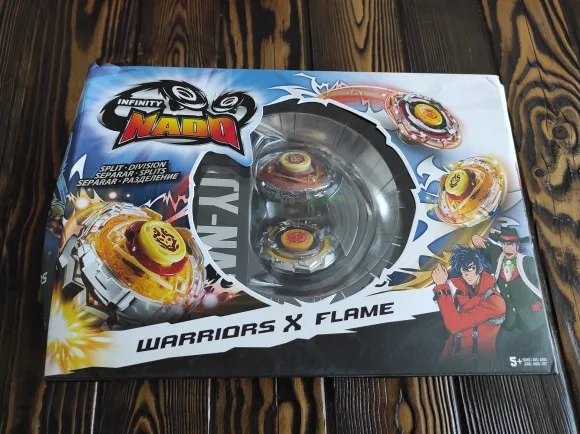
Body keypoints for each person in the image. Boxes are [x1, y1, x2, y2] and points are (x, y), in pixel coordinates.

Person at [472, 227, 548, 358]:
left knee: (538, 351)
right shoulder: (497, 255)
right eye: (504, 244)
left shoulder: (528, 262)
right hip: (509, 319)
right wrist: (474, 238)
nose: (506, 249)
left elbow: (543, 284)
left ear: (517, 245)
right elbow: (482, 245)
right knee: (502, 350)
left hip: (532, 318)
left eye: (510, 244)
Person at [431, 246, 506, 362]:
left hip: (481, 364)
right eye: (463, 269)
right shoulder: (461, 293)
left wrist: (441, 288)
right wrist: (443, 363)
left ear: (479, 268)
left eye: (471, 268)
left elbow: (454, 325)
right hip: (454, 363)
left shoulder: (495, 301)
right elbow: (453, 338)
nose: (466, 274)